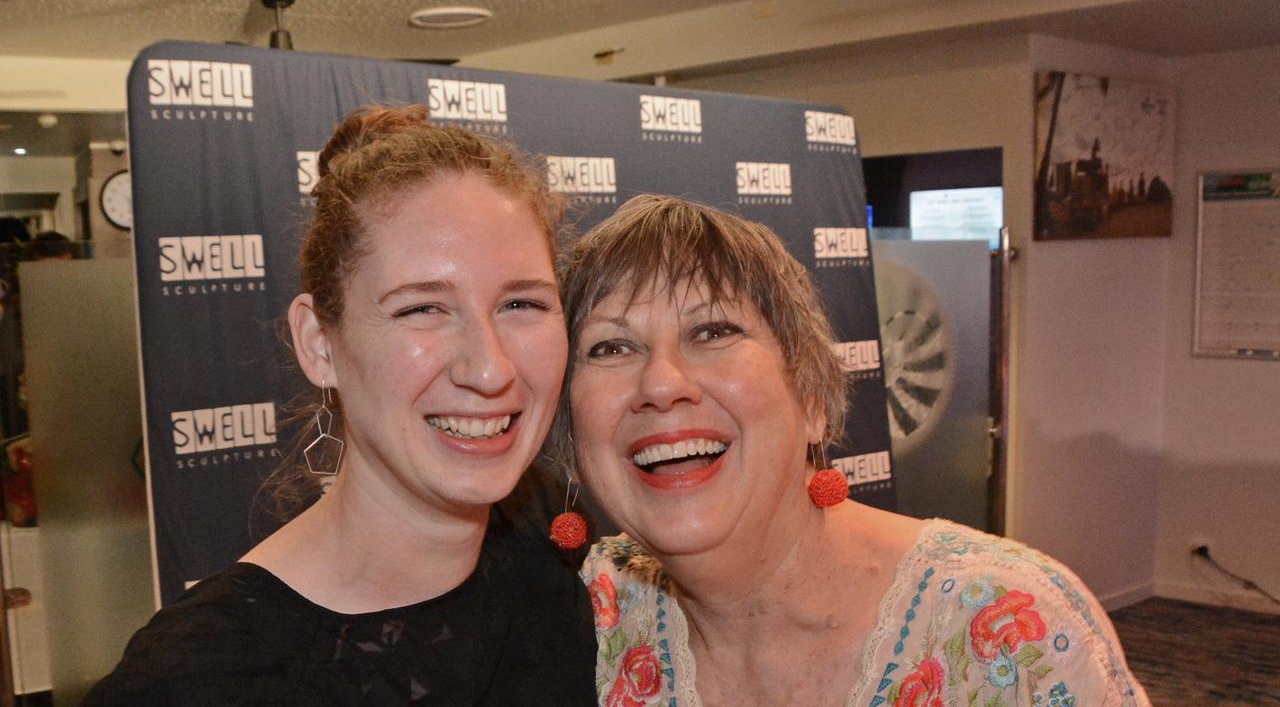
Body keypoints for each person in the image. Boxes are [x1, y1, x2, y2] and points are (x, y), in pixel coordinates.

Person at [84, 105, 597, 706]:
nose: (489, 369)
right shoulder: (199, 678)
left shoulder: (562, 562)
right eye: (421, 308)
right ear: (318, 343)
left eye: (522, 305)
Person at [556, 195, 1149, 707]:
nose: (661, 384)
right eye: (610, 348)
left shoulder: (1010, 624)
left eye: (712, 332)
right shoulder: (587, 617)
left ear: (812, 396)